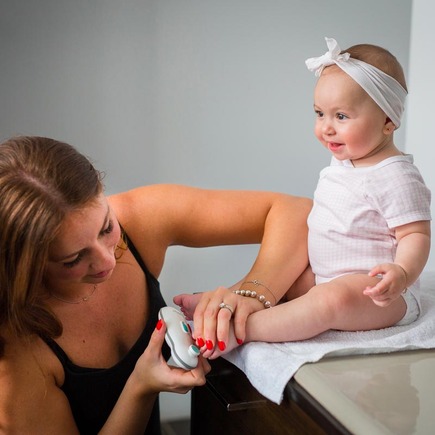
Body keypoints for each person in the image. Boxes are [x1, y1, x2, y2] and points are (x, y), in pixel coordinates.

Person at [0, 135, 311, 434]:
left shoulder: (136, 218)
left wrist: (251, 294)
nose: (108, 261)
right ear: (25, 264)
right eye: (74, 259)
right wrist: (141, 387)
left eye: (107, 227)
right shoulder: (15, 354)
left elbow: (295, 211)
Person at [175, 37, 431, 359]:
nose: (326, 128)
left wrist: (403, 273)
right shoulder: (345, 162)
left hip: (378, 294)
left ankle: (242, 329)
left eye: (341, 117)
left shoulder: (395, 175)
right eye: (320, 113)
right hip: (324, 275)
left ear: (388, 121)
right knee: (285, 279)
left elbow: (415, 233)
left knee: (328, 302)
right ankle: (229, 304)